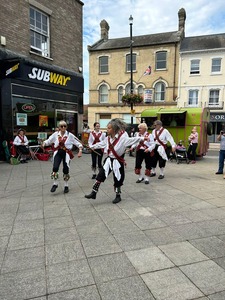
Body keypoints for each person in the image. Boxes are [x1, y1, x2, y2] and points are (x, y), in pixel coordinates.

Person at [84, 118, 149, 204]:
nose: (107, 130)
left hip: (117, 161)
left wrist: (142, 138)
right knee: (100, 175)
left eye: (109, 128)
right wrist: (92, 147)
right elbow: (101, 144)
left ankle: (118, 196)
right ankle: (94, 193)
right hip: (109, 160)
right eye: (107, 128)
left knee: (118, 178)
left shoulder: (122, 138)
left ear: (114, 129)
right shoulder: (108, 138)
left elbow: (131, 140)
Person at [42, 120, 83, 193]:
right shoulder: (55, 134)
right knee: (55, 168)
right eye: (61, 126)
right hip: (58, 152)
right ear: (59, 127)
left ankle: (66, 185)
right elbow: (49, 141)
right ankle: (55, 183)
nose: (63, 127)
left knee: (66, 169)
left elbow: (78, 143)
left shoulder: (70, 135)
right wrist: (44, 143)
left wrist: (80, 151)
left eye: (65, 126)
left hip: (66, 153)